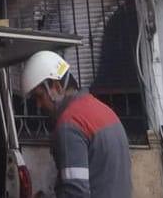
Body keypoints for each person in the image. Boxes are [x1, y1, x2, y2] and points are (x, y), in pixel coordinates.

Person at [21, 51, 132, 198]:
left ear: (57, 87)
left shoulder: (70, 125)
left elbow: (76, 194)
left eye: (39, 96)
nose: (39, 104)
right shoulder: (104, 111)